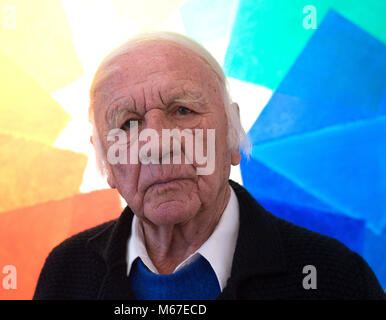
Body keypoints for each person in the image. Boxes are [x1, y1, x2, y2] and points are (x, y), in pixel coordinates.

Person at [33, 32, 385, 300]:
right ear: (106, 162)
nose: (158, 145)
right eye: (127, 124)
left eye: (182, 110)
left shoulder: (334, 278)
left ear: (233, 133)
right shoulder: (66, 274)